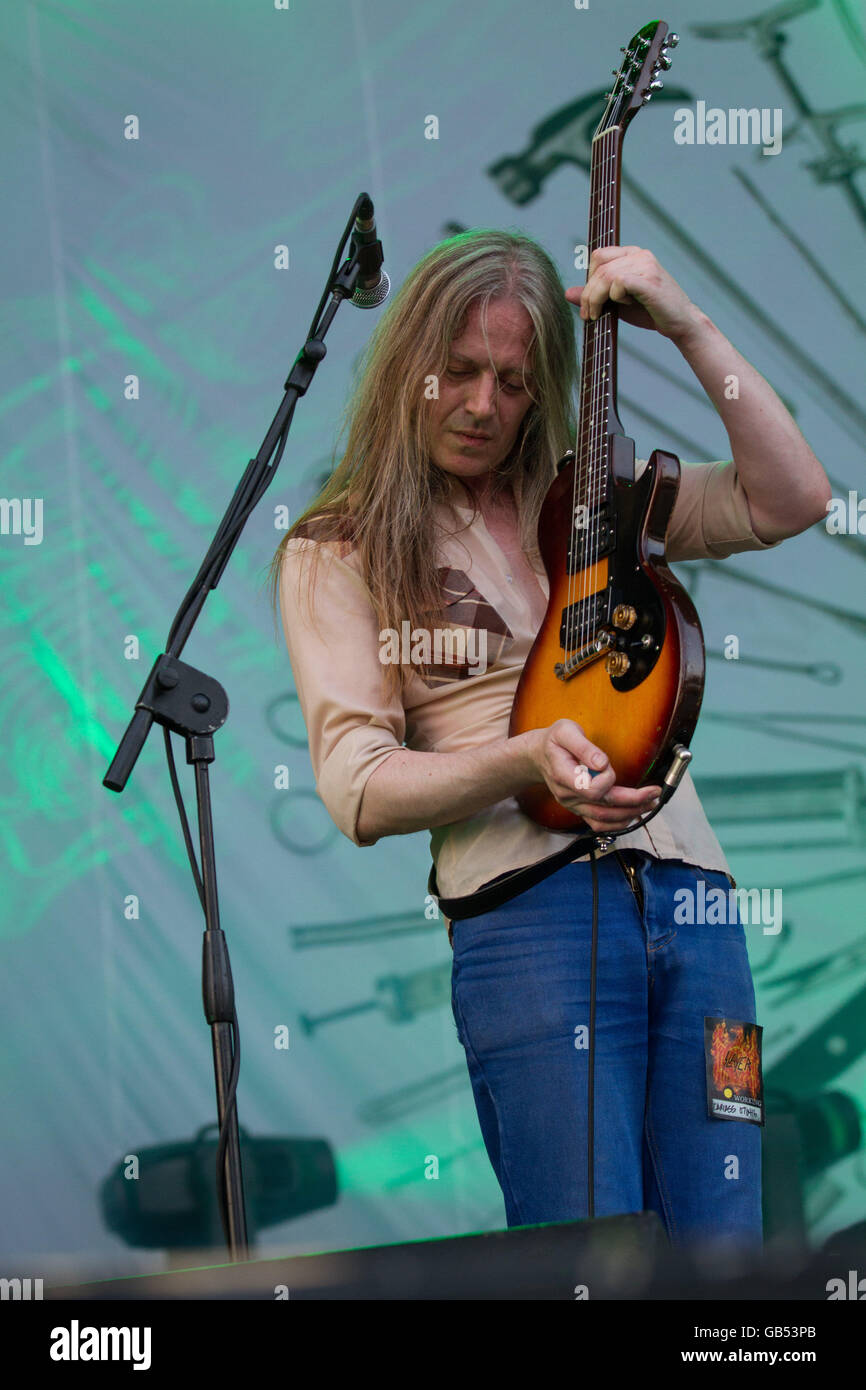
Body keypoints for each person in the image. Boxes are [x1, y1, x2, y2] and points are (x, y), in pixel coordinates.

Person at [270, 229, 830, 1250]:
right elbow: (357, 787)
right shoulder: (339, 547)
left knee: (729, 1259)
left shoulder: (593, 503)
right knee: (590, 1261)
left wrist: (685, 321)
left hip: (699, 912)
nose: (483, 404)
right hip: (529, 924)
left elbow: (790, 497)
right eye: (460, 372)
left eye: (514, 381)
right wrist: (522, 760)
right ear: (408, 367)